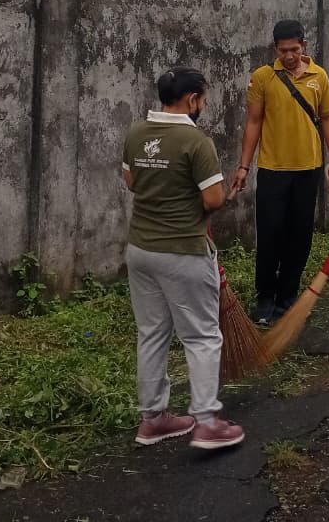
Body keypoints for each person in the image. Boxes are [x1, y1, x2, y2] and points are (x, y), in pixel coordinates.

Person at [121, 67, 245, 450]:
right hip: (183, 252)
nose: (203, 105)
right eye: (203, 99)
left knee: (152, 333)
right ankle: (207, 422)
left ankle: (154, 419)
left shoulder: (136, 133)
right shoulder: (196, 141)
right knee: (202, 336)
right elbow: (213, 199)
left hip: (141, 250)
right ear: (192, 99)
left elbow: (131, 182)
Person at [231, 20, 329, 326]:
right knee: (269, 235)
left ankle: (287, 296)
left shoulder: (319, 76)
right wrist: (243, 166)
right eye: (283, 50)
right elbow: (254, 122)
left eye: (294, 49)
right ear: (275, 48)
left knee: (300, 236)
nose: (290, 55)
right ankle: (265, 297)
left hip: (309, 170)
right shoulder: (263, 77)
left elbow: (328, 118)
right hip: (272, 170)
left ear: (303, 45)